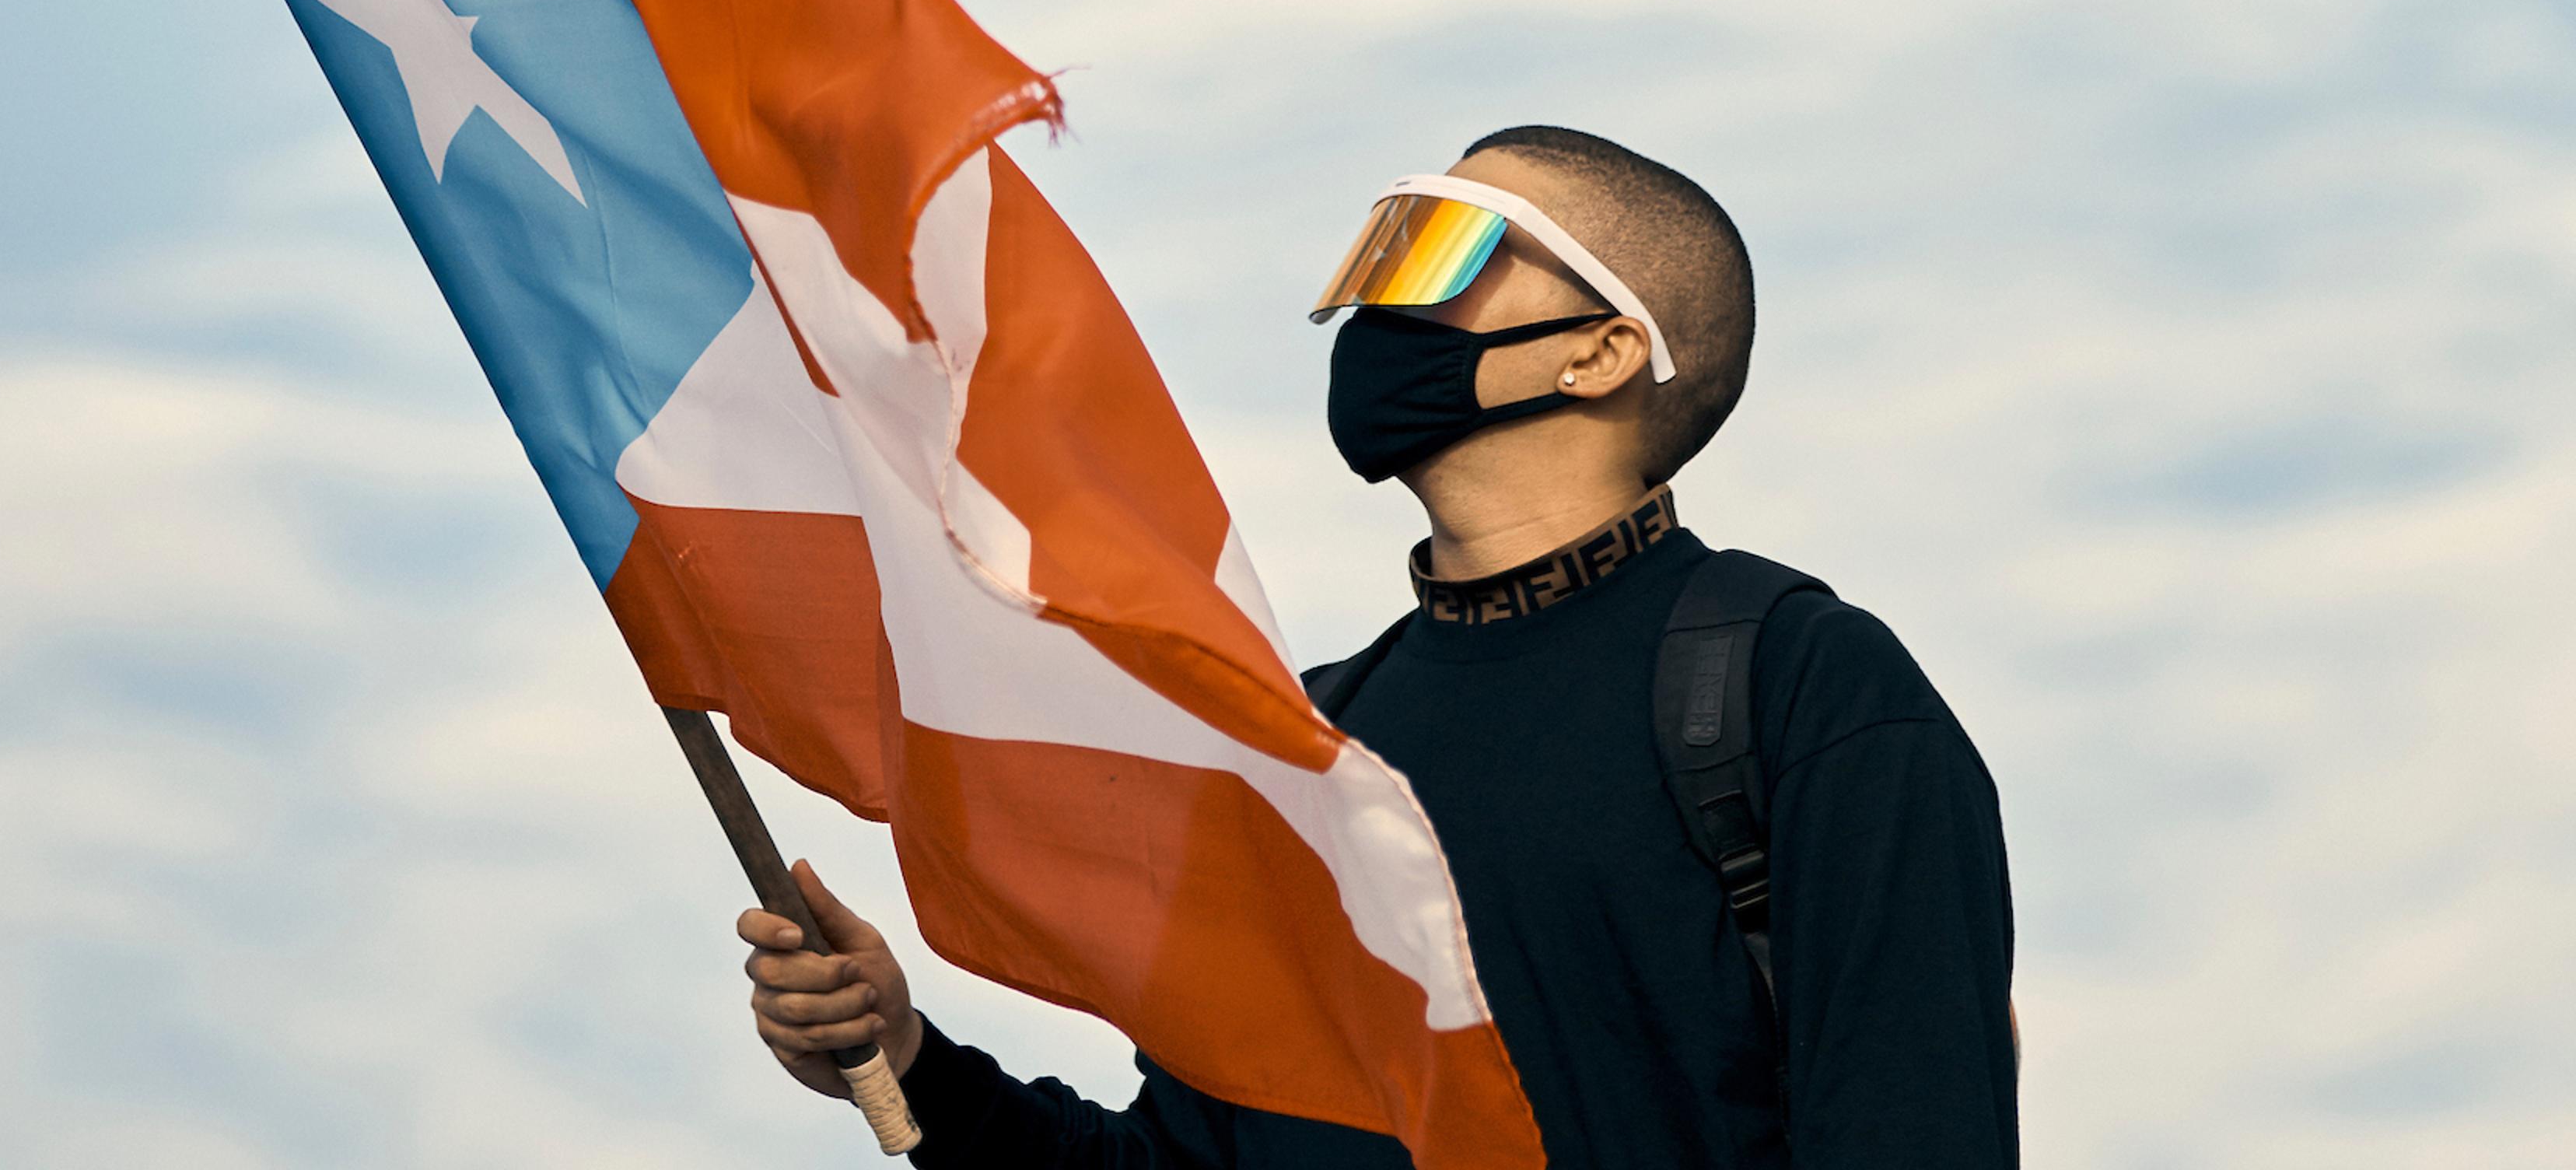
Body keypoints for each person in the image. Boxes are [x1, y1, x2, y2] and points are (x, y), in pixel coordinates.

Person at [737, 123, 2019, 1166]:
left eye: (1445, 253)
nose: (1380, 306)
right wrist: (910, 1062)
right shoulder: (1300, 744)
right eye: (1383, 250)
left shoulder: (1803, 689)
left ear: (1602, 351)